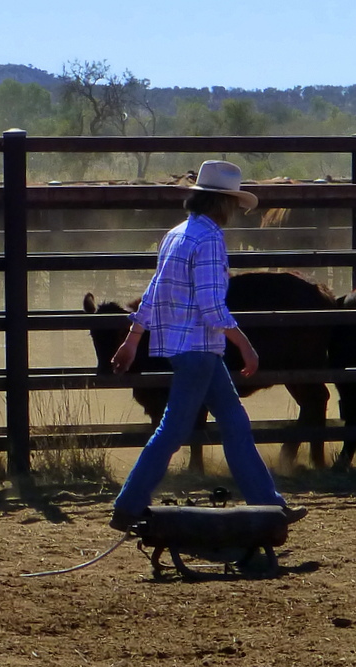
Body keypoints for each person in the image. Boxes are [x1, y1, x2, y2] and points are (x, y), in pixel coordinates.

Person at [107, 160, 307, 532]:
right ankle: (129, 504)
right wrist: (245, 344)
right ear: (221, 203)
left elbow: (153, 292)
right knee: (174, 429)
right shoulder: (210, 239)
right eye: (231, 202)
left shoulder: (176, 235)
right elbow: (212, 305)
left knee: (233, 422)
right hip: (200, 347)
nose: (233, 210)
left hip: (189, 348)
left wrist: (133, 338)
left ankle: (269, 504)